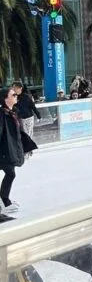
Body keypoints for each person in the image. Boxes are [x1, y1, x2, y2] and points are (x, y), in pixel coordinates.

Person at [0, 85, 27, 215]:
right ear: (5, 99)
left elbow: (19, 133)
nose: (16, 96)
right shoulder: (2, 114)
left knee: (10, 173)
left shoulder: (14, 112)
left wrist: (26, 147)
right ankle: (5, 201)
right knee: (10, 173)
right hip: (4, 151)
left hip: (11, 150)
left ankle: (4, 200)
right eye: (13, 95)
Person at [13, 83, 40, 155]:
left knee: (28, 134)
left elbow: (33, 107)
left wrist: (38, 115)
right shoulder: (14, 97)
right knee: (22, 134)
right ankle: (25, 149)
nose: (14, 89)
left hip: (28, 118)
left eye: (15, 88)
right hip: (19, 118)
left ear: (20, 88)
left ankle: (28, 151)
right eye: (13, 88)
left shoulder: (27, 96)